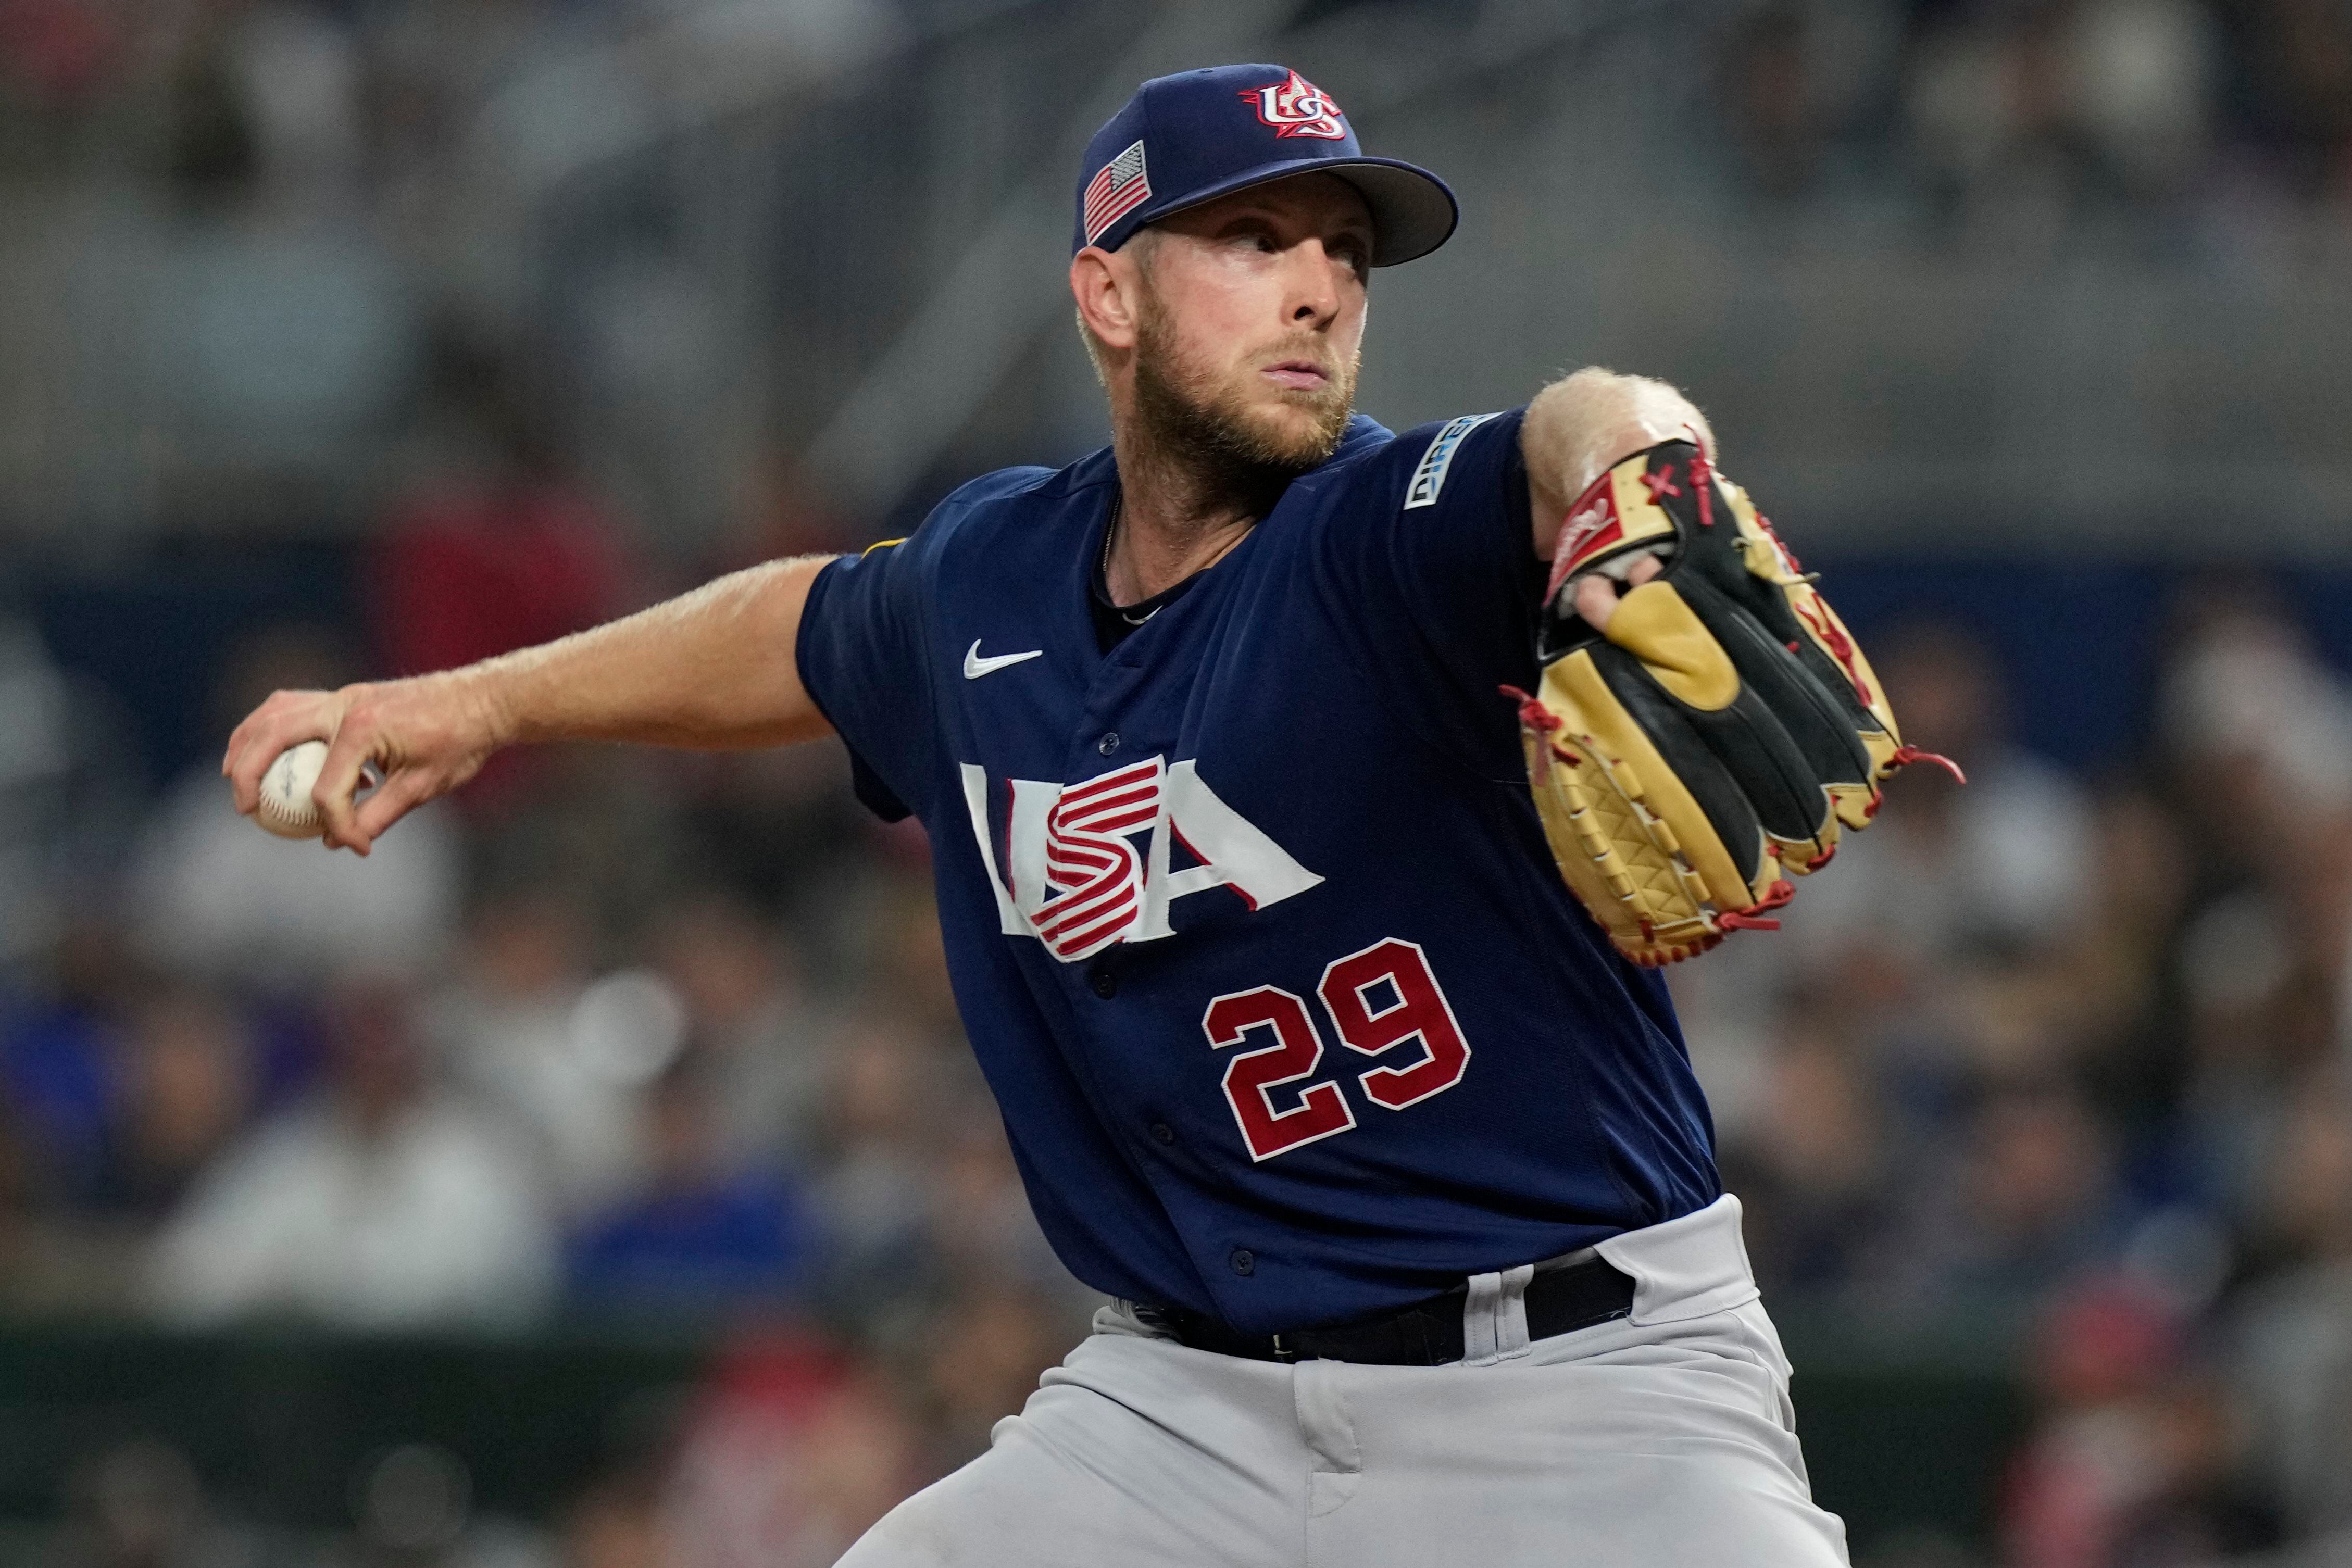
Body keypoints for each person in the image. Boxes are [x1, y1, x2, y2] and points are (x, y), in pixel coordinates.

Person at [226, 64, 1849, 1567]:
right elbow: (794, 626)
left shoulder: (1383, 536)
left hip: (1577, 1384)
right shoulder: (989, 575)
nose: (1318, 285)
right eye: (1250, 235)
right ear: (1107, 294)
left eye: (1346, 250)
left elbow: (1585, 417)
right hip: (1183, 1413)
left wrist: (1637, 503)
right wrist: (471, 702)